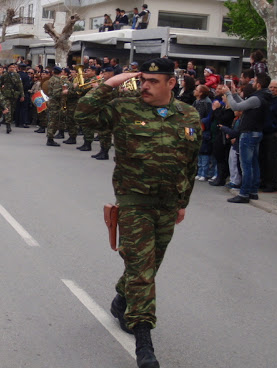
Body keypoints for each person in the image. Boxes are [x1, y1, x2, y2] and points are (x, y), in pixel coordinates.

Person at [75, 58, 201, 368]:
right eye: (142, 79)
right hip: (134, 202)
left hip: (168, 203)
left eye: (153, 81)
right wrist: (109, 84)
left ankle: (121, 300)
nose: (144, 85)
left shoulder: (188, 114)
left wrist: (183, 202)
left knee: (149, 264)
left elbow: (191, 162)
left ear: (171, 83)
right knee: (142, 266)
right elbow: (84, 117)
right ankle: (144, 344)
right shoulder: (125, 107)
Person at [222, 72, 272, 203]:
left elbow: (237, 107)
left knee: (246, 165)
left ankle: (244, 193)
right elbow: (244, 104)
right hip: (256, 132)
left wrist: (227, 94)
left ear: (259, 85)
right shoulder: (263, 96)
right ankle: (253, 191)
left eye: (254, 81)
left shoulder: (257, 98)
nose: (252, 84)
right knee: (254, 164)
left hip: (249, 133)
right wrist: (234, 94)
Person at [259, 80, 277, 192]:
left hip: (273, 134)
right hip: (262, 133)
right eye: (271, 87)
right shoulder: (265, 100)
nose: (272, 89)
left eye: (275, 87)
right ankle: (262, 181)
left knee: (271, 160)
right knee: (261, 158)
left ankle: (271, 184)